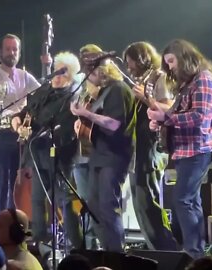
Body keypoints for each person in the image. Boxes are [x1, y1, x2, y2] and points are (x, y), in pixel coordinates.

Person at [147, 39, 212, 259]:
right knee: (189, 200)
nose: (170, 67)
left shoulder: (204, 80)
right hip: (184, 150)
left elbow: (199, 116)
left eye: (171, 61)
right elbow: (178, 115)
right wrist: (160, 122)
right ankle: (195, 251)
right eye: (167, 63)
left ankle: (193, 252)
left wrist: (165, 117)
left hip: (198, 150)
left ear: (184, 57)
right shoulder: (188, 84)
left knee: (183, 199)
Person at [11, 51, 83, 250]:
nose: (56, 77)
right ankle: (39, 242)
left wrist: (37, 130)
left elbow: (66, 129)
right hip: (37, 152)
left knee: (64, 200)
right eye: (55, 72)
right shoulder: (43, 90)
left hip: (60, 155)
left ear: (70, 76)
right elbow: (25, 113)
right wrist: (18, 123)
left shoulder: (73, 96)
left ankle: (76, 246)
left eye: (62, 74)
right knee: (36, 197)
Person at [70, 52, 136, 252]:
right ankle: (107, 252)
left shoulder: (118, 89)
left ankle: (117, 255)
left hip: (115, 156)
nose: (88, 78)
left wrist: (85, 114)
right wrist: (82, 123)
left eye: (90, 73)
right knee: (94, 208)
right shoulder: (103, 91)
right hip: (99, 155)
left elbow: (114, 123)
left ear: (100, 71)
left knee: (108, 206)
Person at [122, 41, 178, 250]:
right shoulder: (141, 80)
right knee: (139, 204)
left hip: (152, 148)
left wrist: (146, 98)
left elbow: (170, 108)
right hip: (137, 150)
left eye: (131, 63)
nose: (129, 69)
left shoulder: (159, 77)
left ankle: (168, 250)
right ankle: (156, 248)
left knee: (149, 202)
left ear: (142, 58)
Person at [0, 33, 41, 218]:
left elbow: (42, 94)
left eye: (15, 49)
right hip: (0, 136)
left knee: (20, 185)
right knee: (1, 186)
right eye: (8, 49)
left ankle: (19, 224)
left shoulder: (25, 76)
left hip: (21, 138)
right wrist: (16, 117)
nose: (12, 52)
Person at [72, 43, 103, 250]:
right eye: (85, 60)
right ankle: (87, 246)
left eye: (93, 59)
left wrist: (85, 116)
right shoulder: (79, 84)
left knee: (97, 202)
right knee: (85, 202)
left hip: (98, 153)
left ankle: (97, 245)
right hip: (79, 153)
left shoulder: (106, 84)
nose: (88, 64)